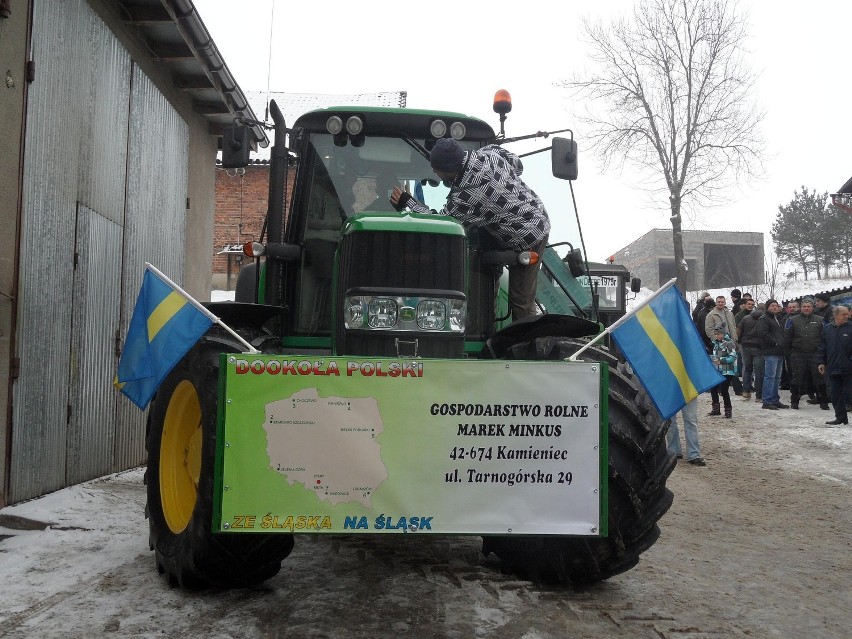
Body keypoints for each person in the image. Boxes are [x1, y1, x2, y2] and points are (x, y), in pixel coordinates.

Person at [391, 138, 550, 321]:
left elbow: (442, 223)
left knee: (521, 301)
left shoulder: (468, 195)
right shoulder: (490, 153)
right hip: (535, 211)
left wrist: (407, 202)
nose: (434, 171)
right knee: (485, 273)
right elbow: (517, 165)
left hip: (530, 235)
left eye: (437, 169)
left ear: (450, 169)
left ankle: (527, 345)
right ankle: (487, 314)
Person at [785, 297, 828, 410]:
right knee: (797, 378)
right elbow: (787, 337)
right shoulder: (792, 320)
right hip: (798, 354)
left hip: (815, 354)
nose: (806, 308)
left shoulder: (820, 320)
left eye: (809, 306)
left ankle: (823, 402)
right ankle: (795, 401)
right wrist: (790, 352)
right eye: (804, 306)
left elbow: (825, 337)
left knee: (819, 378)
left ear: (813, 308)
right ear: (801, 308)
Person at [817, 305, 852, 426]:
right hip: (832, 368)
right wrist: (821, 362)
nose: (847, 316)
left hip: (849, 369)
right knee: (835, 394)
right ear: (835, 315)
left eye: (847, 314)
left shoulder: (850, 328)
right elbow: (822, 347)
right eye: (844, 314)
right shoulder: (827, 329)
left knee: (850, 394)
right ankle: (841, 417)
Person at [754, 299, 788, 410]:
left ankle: (774, 399)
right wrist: (775, 342)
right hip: (770, 351)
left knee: (777, 378)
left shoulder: (777, 318)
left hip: (779, 351)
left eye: (776, 306)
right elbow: (763, 334)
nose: (775, 307)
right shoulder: (763, 319)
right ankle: (767, 400)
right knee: (770, 376)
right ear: (767, 307)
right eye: (772, 305)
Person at [738, 303, 765, 402]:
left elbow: (739, 330)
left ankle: (746, 391)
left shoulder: (746, 318)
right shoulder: (764, 318)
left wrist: (740, 341)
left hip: (746, 346)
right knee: (759, 372)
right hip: (758, 347)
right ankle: (759, 396)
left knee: (747, 369)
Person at [708, 326, 737, 418]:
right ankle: (716, 409)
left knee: (724, 390)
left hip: (728, 370)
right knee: (713, 388)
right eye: (716, 334)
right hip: (718, 369)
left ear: (724, 333)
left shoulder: (729, 343)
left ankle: (728, 411)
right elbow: (716, 355)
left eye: (719, 334)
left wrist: (722, 360)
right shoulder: (716, 343)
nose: (717, 336)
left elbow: (733, 356)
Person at [666, 398, 705, 466]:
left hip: (688, 389)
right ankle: (674, 451)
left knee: (691, 419)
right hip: (668, 389)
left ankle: (694, 454)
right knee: (670, 421)